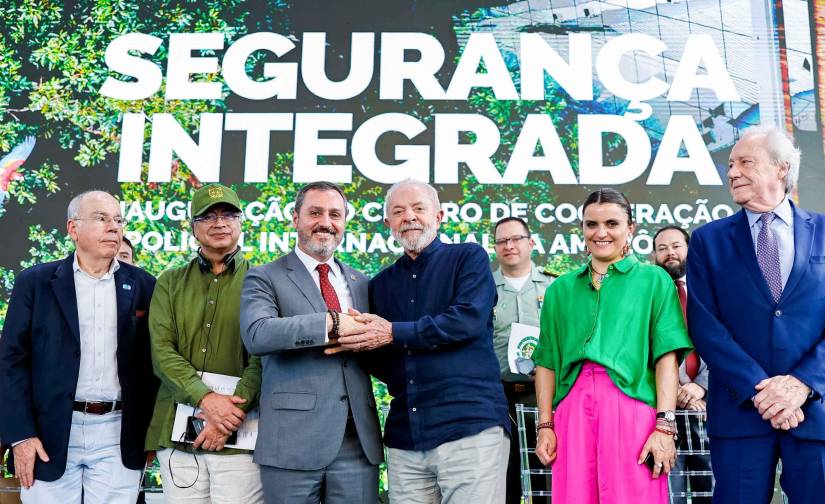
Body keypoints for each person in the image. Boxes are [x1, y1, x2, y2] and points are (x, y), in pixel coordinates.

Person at [331, 179, 510, 503]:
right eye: (398, 211)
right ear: (387, 223)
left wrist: (393, 333)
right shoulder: (381, 284)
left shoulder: (468, 258)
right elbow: (381, 355)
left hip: (469, 427)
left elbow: (467, 320)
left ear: (439, 216)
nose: (409, 217)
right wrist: (353, 340)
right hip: (405, 437)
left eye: (418, 208)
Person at [686, 125, 825, 502]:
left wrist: (800, 384)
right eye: (730, 165)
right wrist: (762, 393)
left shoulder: (824, 231)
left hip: (814, 411)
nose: (732, 172)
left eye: (745, 162)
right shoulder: (707, 241)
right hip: (740, 414)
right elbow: (705, 325)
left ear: (781, 168)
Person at [532, 188, 693, 504]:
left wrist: (665, 425)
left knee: (634, 496)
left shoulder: (654, 280)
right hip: (572, 410)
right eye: (591, 224)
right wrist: (545, 424)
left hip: (632, 406)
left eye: (612, 223)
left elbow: (666, 359)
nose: (600, 232)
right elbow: (546, 363)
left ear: (630, 228)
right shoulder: (559, 290)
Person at [0, 190, 158, 503]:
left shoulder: (144, 284)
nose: (113, 227)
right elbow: (11, 362)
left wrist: (151, 433)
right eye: (101, 218)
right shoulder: (35, 282)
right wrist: (20, 435)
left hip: (118, 432)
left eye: (118, 220)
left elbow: (152, 364)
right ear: (73, 228)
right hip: (48, 433)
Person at [240, 181, 383, 504]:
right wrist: (330, 324)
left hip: (357, 443)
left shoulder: (361, 281)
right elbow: (258, 334)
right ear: (295, 218)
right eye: (315, 213)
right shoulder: (265, 276)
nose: (326, 222)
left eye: (335, 214)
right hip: (292, 443)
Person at [145, 184, 263, 503]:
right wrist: (207, 400)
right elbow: (162, 352)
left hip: (243, 439)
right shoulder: (169, 281)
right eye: (208, 216)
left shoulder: (263, 280)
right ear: (193, 227)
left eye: (228, 214)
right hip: (177, 436)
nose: (219, 222)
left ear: (241, 222)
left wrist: (229, 415)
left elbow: (264, 357)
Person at [491, 216, 555, 503]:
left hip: (544, 398)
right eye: (502, 240)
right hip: (497, 397)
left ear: (531, 243)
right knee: (502, 479)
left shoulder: (554, 287)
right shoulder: (482, 289)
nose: (509, 245)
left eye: (516, 238)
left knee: (547, 477)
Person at [653, 225, 712, 503]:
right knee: (667, 491)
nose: (670, 253)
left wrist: (701, 387)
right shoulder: (647, 296)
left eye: (676, 246)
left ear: (689, 249)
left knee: (710, 491)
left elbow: (726, 340)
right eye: (662, 248)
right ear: (654, 255)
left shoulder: (711, 290)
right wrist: (674, 390)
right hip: (662, 412)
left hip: (708, 410)